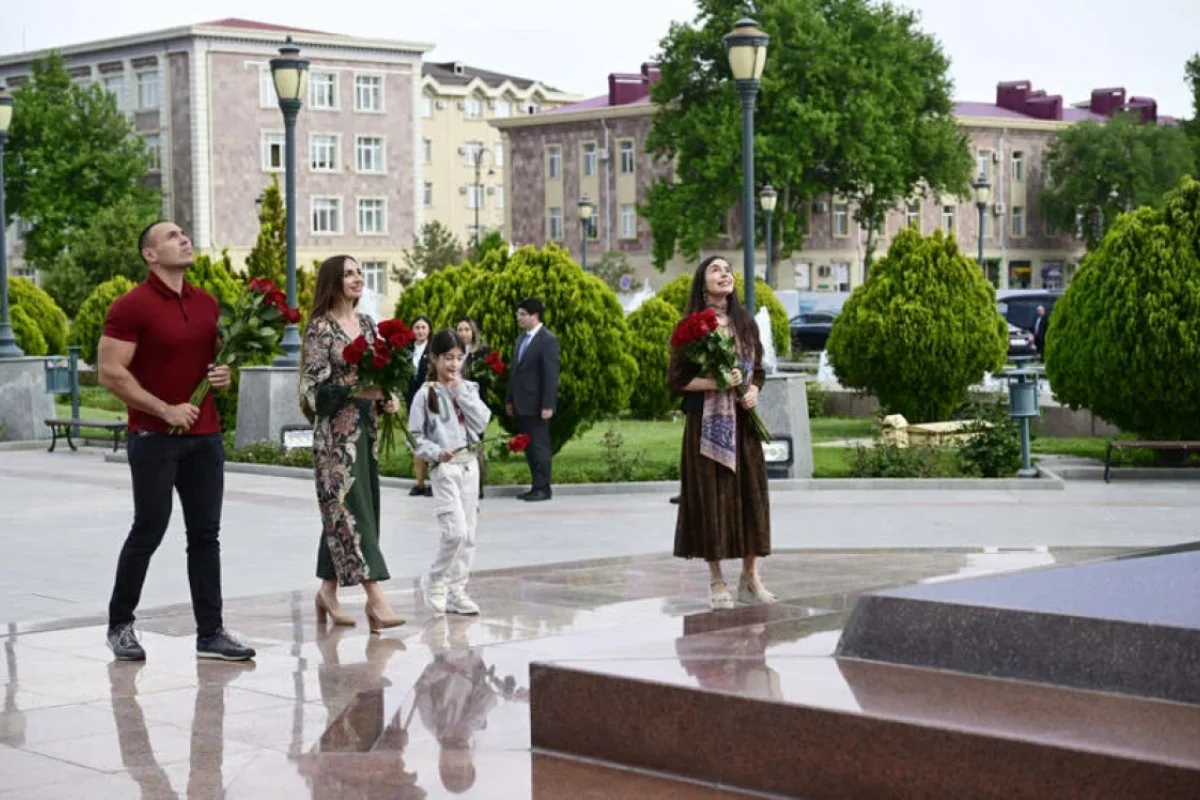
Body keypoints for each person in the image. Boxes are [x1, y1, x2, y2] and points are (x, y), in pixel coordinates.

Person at [98, 220, 255, 661]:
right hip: (153, 437)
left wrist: (222, 375)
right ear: (149, 255)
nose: (184, 239)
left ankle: (211, 633)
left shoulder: (207, 303)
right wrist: (164, 409)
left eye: (184, 234)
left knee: (205, 535)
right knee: (149, 528)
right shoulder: (131, 306)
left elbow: (214, 363)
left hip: (205, 437)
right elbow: (110, 372)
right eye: (172, 236)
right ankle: (120, 625)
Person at [300, 255, 405, 634]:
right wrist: (357, 390)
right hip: (335, 440)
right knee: (349, 510)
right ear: (333, 280)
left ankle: (327, 592)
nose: (358, 278)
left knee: (351, 509)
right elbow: (313, 391)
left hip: (366, 432)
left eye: (359, 272)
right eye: (348, 274)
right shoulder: (320, 328)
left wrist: (388, 397)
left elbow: (382, 376)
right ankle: (375, 597)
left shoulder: (368, 324)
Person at [669, 256, 775, 610]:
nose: (724, 274)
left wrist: (753, 390)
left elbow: (758, 370)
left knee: (751, 499)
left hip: (743, 425)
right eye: (715, 270)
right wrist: (716, 382)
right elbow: (677, 381)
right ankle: (716, 580)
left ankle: (751, 579)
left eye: (727, 269)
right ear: (703, 283)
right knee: (711, 500)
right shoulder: (693, 327)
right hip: (706, 426)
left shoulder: (746, 324)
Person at [409, 329, 492, 616]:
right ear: (434, 358)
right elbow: (416, 437)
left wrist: (459, 392)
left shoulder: (468, 389)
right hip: (445, 469)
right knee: (455, 532)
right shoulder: (425, 394)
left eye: (459, 358)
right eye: (448, 358)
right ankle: (435, 579)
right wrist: (435, 452)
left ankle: (457, 591)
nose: (454, 364)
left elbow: (482, 421)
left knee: (469, 535)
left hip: (470, 466)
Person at [505, 299, 560, 502]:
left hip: (537, 405)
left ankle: (543, 488)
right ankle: (535, 485)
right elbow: (515, 372)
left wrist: (548, 404)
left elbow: (550, 375)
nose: (518, 318)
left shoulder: (548, 340)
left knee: (539, 447)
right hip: (522, 403)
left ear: (534, 316)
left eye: (522, 314)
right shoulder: (521, 339)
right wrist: (510, 399)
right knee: (529, 447)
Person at [456, 316, 490, 497]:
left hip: (474, 403)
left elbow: (486, 380)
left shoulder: (481, 352)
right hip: (455, 404)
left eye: (466, 329)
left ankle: (478, 486)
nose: (463, 333)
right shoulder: (453, 351)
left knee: (476, 444)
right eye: (460, 330)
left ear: (473, 331)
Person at [405, 316, 433, 497]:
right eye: (417, 327)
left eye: (423, 327)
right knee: (416, 440)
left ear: (429, 330)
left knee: (431, 440)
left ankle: (434, 482)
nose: (420, 331)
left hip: (430, 400)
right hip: (411, 400)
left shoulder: (433, 350)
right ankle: (419, 482)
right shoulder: (407, 351)